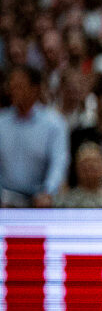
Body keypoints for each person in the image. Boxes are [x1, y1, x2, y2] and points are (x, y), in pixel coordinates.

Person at [0, 64, 69, 207]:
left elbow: (59, 162)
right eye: (11, 85)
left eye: (19, 86)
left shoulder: (54, 123)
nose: (13, 90)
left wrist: (48, 191)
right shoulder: (2, 122)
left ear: (34, 89)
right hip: (5, 197)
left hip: (40, 196)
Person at [56, 141, 102, 208]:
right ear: (76, 168)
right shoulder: (65, 202)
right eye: (85, 162)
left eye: (95, 162)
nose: (90, 166)